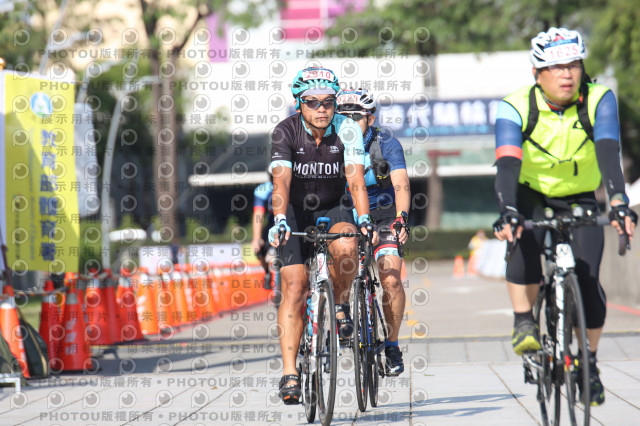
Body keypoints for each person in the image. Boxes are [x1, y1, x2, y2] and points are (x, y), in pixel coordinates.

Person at [492, 27, 638, 406]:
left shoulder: (599, 99)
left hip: (579, 195)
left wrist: (618, 201)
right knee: (522, 244)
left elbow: (608, 151)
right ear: (537, 74)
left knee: (588, 281)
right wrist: (508, 211)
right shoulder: (514, 106)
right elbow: (506, 164)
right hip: (529, 192)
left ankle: (589, 361)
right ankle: (524, 320)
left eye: (573, 64)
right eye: (556, 67)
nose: (567, 74)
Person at [268, 66, 377, 404]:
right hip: (295, 211)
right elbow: (281, 181)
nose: (321, 109)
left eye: (328, 102)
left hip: (334, 206)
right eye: (312, 102)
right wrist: (280, 219)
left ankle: (340, 302)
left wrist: (364, 218)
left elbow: (355, 179)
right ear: (299, 104)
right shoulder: (285, 132)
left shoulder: (347, 129)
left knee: (347, 245)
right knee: (294, 287)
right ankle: (290, 372)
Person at [336, 88, 410, 376]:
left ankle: (391, 345)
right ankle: (340, 312)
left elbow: (401, 183)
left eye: (356, 116)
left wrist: (401, 218)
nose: (349, 123)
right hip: (346, 212)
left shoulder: (386, 142)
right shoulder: (331, 143)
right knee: (339, 261)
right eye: (343, 116)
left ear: (370, 118)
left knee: (391, 279)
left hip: (382, 213)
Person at [250, 174, 275, 289]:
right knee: (259, 249)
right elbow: (258, 215)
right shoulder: (263, 190)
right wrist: (256, 238)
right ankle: (267, 272)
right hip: (272, 224)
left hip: (291, 222)